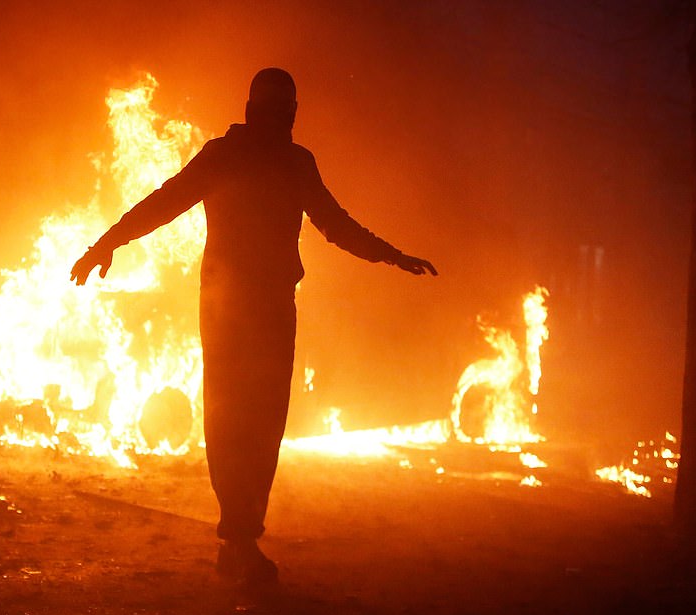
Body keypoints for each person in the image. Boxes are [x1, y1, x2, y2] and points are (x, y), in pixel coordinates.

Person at [71, 67, 437, 586]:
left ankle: (238, 540)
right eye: (280, 111)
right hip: (242, 310)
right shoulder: (259, 159)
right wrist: (106, 242)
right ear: (281, 113)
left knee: (251, 424)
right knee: (246, 424)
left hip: (254, 309)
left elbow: (331, 224)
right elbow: (166, 204)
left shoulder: (269, 160)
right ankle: (240, 539)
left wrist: (391, 254)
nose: (281, 120)